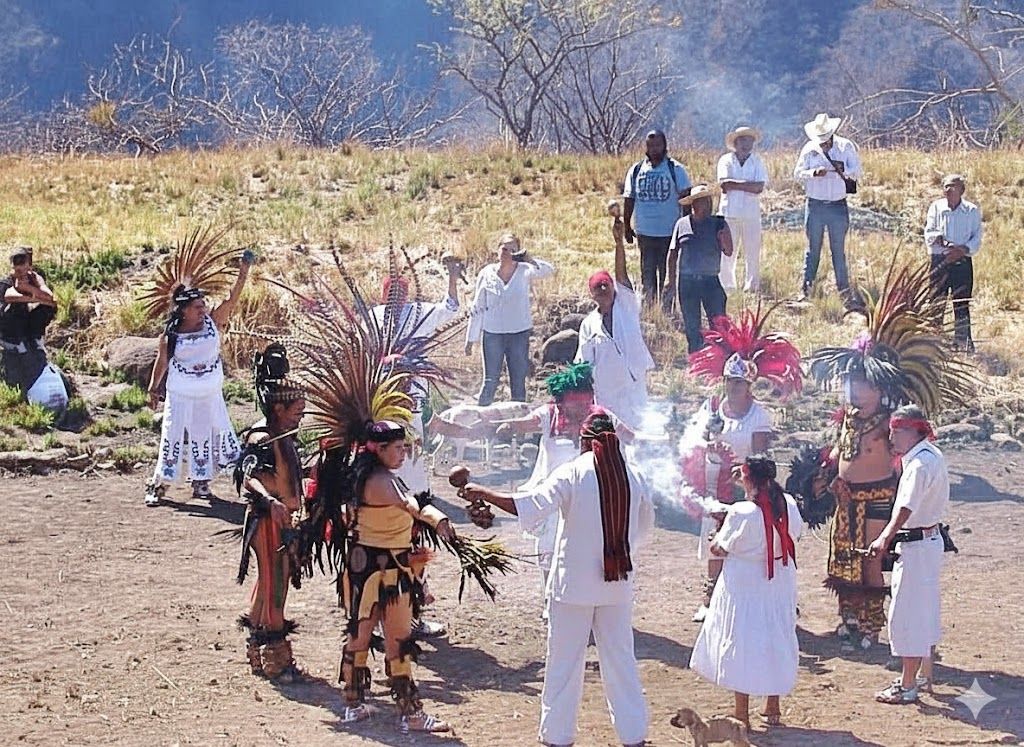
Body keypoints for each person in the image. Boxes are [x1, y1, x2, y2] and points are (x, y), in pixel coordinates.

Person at [804, 260, 975, 652]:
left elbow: (903, 460)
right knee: (843, 560)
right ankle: (848, 620)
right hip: (845, 499)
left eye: (863, 385)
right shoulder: (847, 418)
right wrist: (827, 475)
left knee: (870, 562)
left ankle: (871, 627)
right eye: (852, 385)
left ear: (880, 390)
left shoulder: (888, 424)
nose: (855, 392)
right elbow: (841, 450)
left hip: (877, 500)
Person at [461, 409, 655, 747]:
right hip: (618, 585)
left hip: (573, 587)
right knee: (621, 660)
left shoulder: (574, 472)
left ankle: (557, 736)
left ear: (585, 441)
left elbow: (530, 505)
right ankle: (634, 734)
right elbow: (643, 527)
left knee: (564, 663)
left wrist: (484, 493)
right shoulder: (634, 475)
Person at [327, 420, 455, 732]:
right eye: (397, 448)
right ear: (379, 449)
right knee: (398, 640)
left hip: (362, 566)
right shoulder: (381, 480)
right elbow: (413, 507)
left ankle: (353, 704)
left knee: (359, 634)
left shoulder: (361, 475)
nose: (403, 453)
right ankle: (411, 714)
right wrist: (439, 519)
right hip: (388, 572)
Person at [683, 308, 802, 622]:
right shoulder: (712, 408)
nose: (732, 388)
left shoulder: (759, 417)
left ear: (749, 386)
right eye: (729, 382)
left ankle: (761, 596)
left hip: (745, 485)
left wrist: (743, 477)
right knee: (715, 538)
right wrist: (705, 447)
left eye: (738, 383)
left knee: (746, 540)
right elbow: (694, 440)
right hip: (716, 483)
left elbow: (760, 456)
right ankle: (710, 599)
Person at [370, 254, 465, 641]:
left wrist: (453, 275)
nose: (395, 302)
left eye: (400, 294)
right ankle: (383, 617)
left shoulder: (416, 316)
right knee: (385, 534)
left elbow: (450, 308)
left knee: (414, 530)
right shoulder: (373, 321)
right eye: (390, 295)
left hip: (411, 448)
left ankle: (410, 611)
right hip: (385, 450)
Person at [496, 363, 633, 599]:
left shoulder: (602, 417)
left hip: (590, 496)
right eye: (575, 404)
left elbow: (630, 437)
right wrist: (509, 426)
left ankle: (586, 596)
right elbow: (525, 423)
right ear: (561, 402)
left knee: (586, 550)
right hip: (552, 496)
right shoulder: (548, 415)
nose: (582, 409)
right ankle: (550, 596)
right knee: (548, 549)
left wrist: (660, 443)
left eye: (585, 403)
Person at [690, 455, 803, 728]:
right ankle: (773, 706)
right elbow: (793, 534)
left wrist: (718, 530)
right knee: (775, 637)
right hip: (778, 581)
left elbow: (719, 549)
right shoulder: (787, 502)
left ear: (748, 478)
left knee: (742, 643)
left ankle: (742, 713)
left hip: (746, 585)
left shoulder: (742, 511)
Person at [145, 250, 252, 505]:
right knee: (171, 438)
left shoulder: (213, 323)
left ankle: (201, 482)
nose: (203, 309)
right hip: (180, 395)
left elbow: (232, 300)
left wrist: (243, 272)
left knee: (203, 435)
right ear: (183, 311)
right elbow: (162, 362)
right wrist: (153, 389)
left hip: (208, 394)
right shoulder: (170, 336)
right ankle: (158, 484)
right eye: (197, 307)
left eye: (203, 305)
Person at [234, 344, 307, 682]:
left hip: (280, 519)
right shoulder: (263, 436)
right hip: (267, 522)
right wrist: (271, 501)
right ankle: (277, 660)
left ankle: (256, 649)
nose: (300, 417)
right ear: (279, 408)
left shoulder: (283, 434)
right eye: (297, 411)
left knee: (269, 584)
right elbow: (249, 477)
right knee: (275, 585)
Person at [868, 405, 949, 705]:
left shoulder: (918, 464)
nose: (891, 438)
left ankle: (907, 685)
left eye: (896, 431)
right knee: (923, 611)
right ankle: (924, 675)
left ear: (912, 431)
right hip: (927, 542)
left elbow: (906, 507)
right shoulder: (931, 455)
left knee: (908, 615)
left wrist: (884, 537)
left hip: (916, 545)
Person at [576, 218, 655, 431]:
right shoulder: (588, 325)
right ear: (592, 294)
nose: (603, 290)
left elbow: (622, 275)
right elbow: (583, 362)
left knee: (639, 436)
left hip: (633, 387)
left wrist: (619, 243)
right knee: (611, 438)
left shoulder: (625, 306)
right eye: (598, 288)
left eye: (606, 285)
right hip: (606, 395)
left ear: (613, 288)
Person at [466, 234, 554, 405]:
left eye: (513, 250)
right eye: (505, 249)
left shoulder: (525, 270)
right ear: (498, 250)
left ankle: (518, 419)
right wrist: (471, 339)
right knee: (490, 381)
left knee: (518, 382)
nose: (508, 253)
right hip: (493, 334)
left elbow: (549, 270)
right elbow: (478, 306)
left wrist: (529, 259)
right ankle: (481, 416)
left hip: (518, 334)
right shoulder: (487, 273)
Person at [793, 113, 862, 303]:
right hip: (815, 204)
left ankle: (843, 289)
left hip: (837, 204)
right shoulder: (809, 148)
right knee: (813, 248)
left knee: (838, 249)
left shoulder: (845, 146)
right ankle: (807, 288)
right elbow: (797, 173)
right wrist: (813, 173)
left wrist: (842, 170)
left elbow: (857, 171)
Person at [622, 128, 692, 305]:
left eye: (657, 145)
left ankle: (667, 308)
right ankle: (650, 308)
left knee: (668, 272)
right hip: (645, 231)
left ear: (664, 146)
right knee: (647, 272)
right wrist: (627, 225)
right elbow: (629, 198)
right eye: (650, 145)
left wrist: (687, 227)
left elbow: (686, 199)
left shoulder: (675, 169)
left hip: (669, 231)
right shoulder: (636, 170)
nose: (654, 149)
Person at [665, 184, 734, 354]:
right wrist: (670, 280)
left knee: (718, 323)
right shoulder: (682, 224)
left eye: (708, 201)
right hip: (687, 282)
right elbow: (672, 254)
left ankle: (720, 358)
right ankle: (696, 358)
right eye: (703, 201)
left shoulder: (719, 223)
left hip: (710, 280)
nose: (708, 205)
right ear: (694, 204)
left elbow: (729, 251)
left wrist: (723, 238)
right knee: (692, 325)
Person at [924, 173, 982, 352]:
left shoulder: (971, 210)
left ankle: (963, 345)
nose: (948, 189)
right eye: (946, 186)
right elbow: (929, 232)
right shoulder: (936, 207)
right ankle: (933, 344)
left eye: (953, 186)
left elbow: (976, 238)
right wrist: (944, 243)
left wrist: (962, 250)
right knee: (936, 303)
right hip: (940, 261)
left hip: (962, 262)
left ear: (962, 190)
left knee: (961, 304)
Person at [718, 127, 768, 292]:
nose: (746, 144)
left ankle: (752, 286)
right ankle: (727, 285)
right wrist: (748, 185)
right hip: (729, 213)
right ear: (735, 142)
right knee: (727, 251)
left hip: (751, 214)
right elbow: (724, 185)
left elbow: (759, 187)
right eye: (743, 140)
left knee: (752, 252)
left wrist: (735, 184)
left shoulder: (757, 161)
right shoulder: (725, 160)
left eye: (749, 141)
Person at [0, 247, 57, 392]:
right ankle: (16, 344)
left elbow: (50, 297)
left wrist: (30, 289)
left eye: (22, 263)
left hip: (23, 322)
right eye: (16, 264)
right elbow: (10, 297)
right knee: (16, 306)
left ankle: (35, 337)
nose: (19, 269)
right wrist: (34, 297)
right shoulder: (6, 282)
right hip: (6, 327)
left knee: (49, 307)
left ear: (29, 265)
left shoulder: (35, 278)